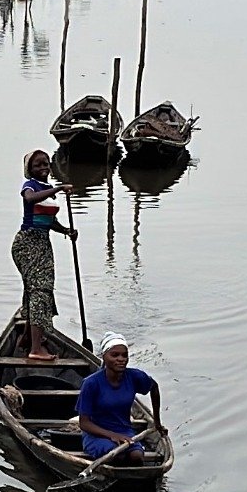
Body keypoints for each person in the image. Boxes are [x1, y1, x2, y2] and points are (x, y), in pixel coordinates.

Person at [12, 149, 77, 360]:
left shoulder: (48, 189)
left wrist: (66, 230)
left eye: (46, 164)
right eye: (37, 165)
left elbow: (48, 221)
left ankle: (28, 338)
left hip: (43, 243)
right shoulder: (30, 186)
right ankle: (36, 349)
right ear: (29, 170)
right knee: (40, 290)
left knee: (38, 290)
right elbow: (30, 199)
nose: (43, 168)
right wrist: (58, 188)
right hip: (28, 243)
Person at [77, 333, 163, 463]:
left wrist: (157, 422)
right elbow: (84, 423)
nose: (121, 359)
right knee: (118, 456)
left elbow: (154, 387)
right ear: (104, 357)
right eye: (115, 355)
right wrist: (111, 435)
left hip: (124, 432)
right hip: (96, 435)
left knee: (137, 457)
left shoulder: (134, 377)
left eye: (124, 355)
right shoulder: (91, 383)